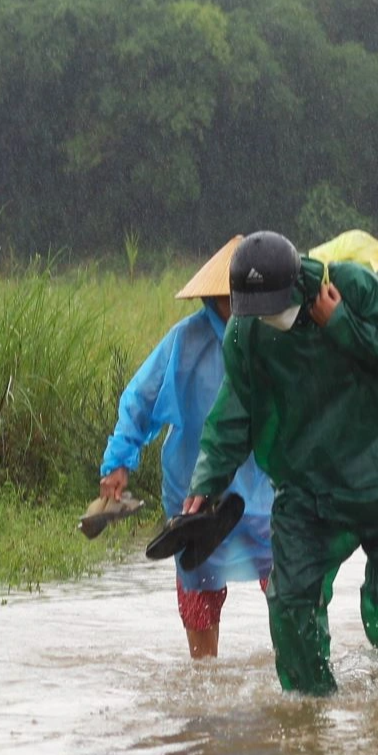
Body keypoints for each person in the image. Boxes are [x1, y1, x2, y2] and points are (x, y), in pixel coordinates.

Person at [182, 231, 378, 697]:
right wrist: (207, 481)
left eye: (273, 304)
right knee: (290, 602)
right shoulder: (246, 332)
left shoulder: (351, 288)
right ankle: (309, 710)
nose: (267, 316)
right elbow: (234, 413)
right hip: (310, 490)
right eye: (255, 308)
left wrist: (341, 322)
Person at [97, 237, 276, 659]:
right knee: (199, 590)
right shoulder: (185, 342)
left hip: (264, 486)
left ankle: (293, 681)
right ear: (220, 295)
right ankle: (204, 685)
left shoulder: (275, 335)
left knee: (288, 582)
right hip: (195, 489)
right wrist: (119, 462)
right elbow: (140, 401)